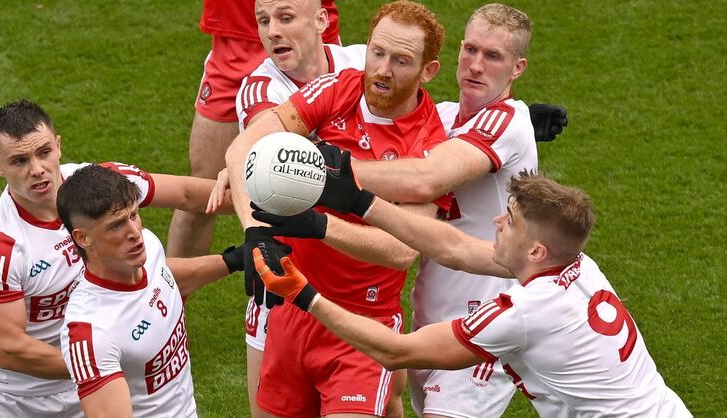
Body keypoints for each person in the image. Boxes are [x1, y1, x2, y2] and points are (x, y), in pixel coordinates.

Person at [257, 2, 542, 418]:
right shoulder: (446, 118)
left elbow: (426, 178)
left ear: (517, 69)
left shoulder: (505, 121)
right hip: (430, 319)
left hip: (483, 314)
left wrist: (317, 169)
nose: (476, 65)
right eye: (471, 50)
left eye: (493, 56)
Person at [254, 171, 693, 417]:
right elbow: (455, 248)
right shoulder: (580, 265)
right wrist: (359, 201)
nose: (497, 222)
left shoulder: (521, 314)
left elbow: (395, 351)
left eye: (510, 221)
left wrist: (304, 294)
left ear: (536, 251)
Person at [225, 0, 450, 418]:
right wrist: (254, 230)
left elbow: (403, 250)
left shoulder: (430, 143)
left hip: (363, 326)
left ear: (428, 70)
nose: (382, 70)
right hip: (294, 307)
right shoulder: (339, 88)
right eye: (377, 52)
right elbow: (244, 147)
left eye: (401, 61)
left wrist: (318, 224)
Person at [167, 0, 477, 260]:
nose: (273, 32)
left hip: (310, 33)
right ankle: (170, 290)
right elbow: (266, 153)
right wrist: (251, 165)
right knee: (209, 187)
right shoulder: (271, 85)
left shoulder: (355, 66)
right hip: (235, 37)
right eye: (265, 22)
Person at [0, 100, 231, 417]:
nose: (37, 169)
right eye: (19, 161)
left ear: (58, 145)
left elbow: (186, 194)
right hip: (10, 401)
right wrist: (101, 363)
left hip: (81, 383)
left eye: (44, 152)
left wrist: (258, 207)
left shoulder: (101, 186)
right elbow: (10, 349)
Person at [57, 165, 243, 417]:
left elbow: (164, 275)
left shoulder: (150, 249)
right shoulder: (91, 332)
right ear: (82, 238)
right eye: (116, 226)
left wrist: (235, 260)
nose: (135, 233)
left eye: (133, 215)